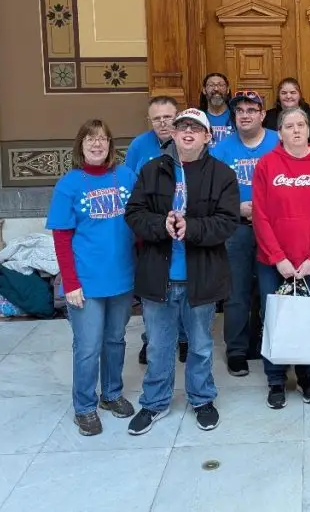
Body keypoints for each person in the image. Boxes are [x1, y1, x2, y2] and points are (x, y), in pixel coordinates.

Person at [124, 108, 240, 434]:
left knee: (201, 345)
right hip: (158, 276)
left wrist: (192, 227)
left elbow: (227, 222)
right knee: (159, 346)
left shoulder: (222, 175)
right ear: (173, 135)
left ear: (207, 137)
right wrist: (161, 225)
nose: (188, 132)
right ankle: (155, 403)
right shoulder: (151, 171)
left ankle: (202, 399)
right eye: (182, 127)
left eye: (195, 128)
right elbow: (134, 214)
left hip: (200, 277)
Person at [47, 119, 137, 436]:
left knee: (115, 340)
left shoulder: (126, 176)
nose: (97, 144)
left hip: (122, 278)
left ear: (111, 145)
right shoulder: (69, 184)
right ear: (80, 146)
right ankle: (84, 407)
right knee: (87, 346)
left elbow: (140, 221)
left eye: (102, 139)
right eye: (89, 139)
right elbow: (61, 237)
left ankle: (111, 395)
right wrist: (70, 283)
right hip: (86, 282)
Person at [252, 107, 310, 409]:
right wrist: (278, 257)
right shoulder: (267, 164)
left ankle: (306, 376)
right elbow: (260, 216)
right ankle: (275, 379)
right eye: (289, 126)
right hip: (272, 260)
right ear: (280, 132)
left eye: (301, 124)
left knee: (304, 320)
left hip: (308, 263)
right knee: (273, 317)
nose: (297, 130)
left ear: (308, 129)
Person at [210, 90, 279, 376]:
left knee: (272, 292)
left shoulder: (279, 142)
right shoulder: (221, 149)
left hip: (274, 230)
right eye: (240, 111)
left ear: (263, 114)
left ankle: (274, 346)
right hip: (236, 230)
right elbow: (211, 192)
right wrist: (235, 208)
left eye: (252, 110)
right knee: (236, 294)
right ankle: (236, 350)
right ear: (234, 116)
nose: (246, 115)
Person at [124, 95, 188, 366]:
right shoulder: (139, 145)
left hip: (185, 229)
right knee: (154, 288)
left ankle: (184, 338)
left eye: (168, 116)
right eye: (157, 118)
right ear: (149, 121)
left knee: (185, 286)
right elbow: (128, 183)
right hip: (151, 229)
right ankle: (151, 338)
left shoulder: (188, 141)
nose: (163, 122)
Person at [199, 72, 234, 146]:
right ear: (204, 90)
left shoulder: (237, 115)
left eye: (221, 85)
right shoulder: (197, 117)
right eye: (211, 85)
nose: (216, 89)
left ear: (228, 90)